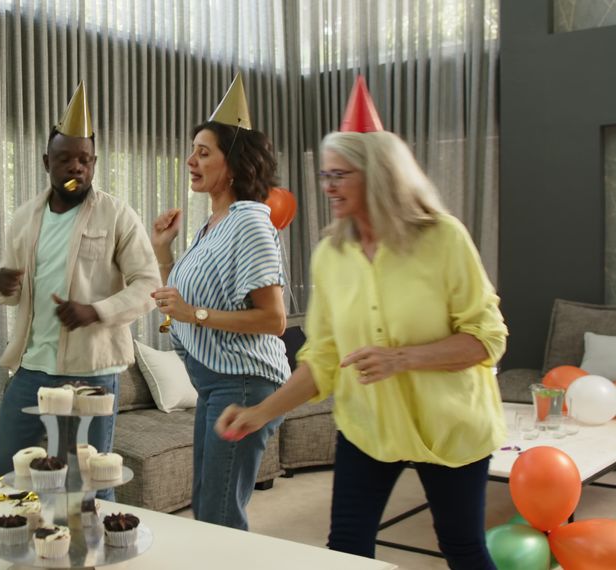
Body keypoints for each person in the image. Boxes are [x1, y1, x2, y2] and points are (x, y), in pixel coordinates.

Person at [216, 78, 507, 568]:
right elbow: (324, 358)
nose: (327, 186)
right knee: (347, 551)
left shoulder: (443, 239)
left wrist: (402, 358)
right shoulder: (332, 253)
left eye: (340, 175)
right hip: (368, 426)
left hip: (450, 427)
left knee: (461, 547)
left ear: (379, 175)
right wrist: (259, 414)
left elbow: (487, 338)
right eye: (325, 174)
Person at [0, 84, 160, 499]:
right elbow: (12, 292)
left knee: (89, 482)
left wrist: (96, 311)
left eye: (85, 159)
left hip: (93, 372)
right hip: (32, 368)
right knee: (7, 472)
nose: (76, 168)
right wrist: (4, 285)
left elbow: (149, 284)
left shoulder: (117, 214)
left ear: (94, 163)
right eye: (65, 159)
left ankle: (95, 540)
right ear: (47, 161)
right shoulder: (24, 218)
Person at [149, 74, 290, 530]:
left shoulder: (249, 222)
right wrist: (164, 250)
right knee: (207, 505)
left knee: (219, 513)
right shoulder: (213, 225)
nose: (191, 160)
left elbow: (274, 319)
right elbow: (179, 302)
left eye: (204, 152)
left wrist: (194, 314)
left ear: (233, 164)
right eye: (192, 151)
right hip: (212, 382)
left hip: (243, 382)